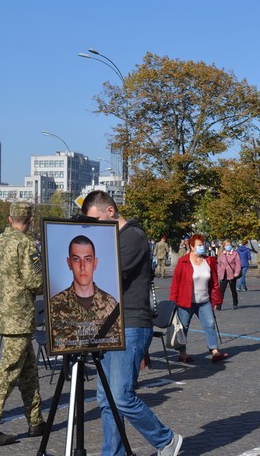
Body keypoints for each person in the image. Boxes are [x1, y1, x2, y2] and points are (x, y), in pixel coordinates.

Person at [81, 191, 183, 456]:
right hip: (111, 326)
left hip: (131, 324)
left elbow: (108, 276)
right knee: (106, 400)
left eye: (95, 219)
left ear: (111, 212)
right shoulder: (114, 238)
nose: (94, 226)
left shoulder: (132, 237)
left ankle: (166, 440)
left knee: (122, 396)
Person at [0, 202, 45, 446]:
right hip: (21, 317)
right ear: (30, 219)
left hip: (5, 314)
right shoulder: (25, 244)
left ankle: (35, 420)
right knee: (7, 373)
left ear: (10, 217)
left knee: (28, 371)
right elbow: (35, 281)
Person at [49, 235, 122, 352]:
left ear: (95, 263)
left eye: (87, 259)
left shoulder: (111, 304)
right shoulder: (55, 305)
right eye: (76, 259)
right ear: (69, 263)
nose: (82, 266)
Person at [170, 234, 230, 363]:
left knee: (210, 324)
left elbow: (214, 282)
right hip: (186, 302)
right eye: (199, 245)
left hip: (204, 301)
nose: (202, 247)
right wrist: (172, 302)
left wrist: (216, 300)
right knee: (183, 327)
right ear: (191, 246)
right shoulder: (183, 261)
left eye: (203, 245)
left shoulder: (208, 261)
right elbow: (176, 283)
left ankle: (214, 351)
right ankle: (182, 353)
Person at [216, 239, 242, 310]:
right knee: (221, 291)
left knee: (233, 290)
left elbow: (238, 263)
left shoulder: (235, 253)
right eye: (227, 245)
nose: (228, 246)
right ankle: (219, 305)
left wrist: (237, 272)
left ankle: (235, 303)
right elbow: (219, 263)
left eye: (229, 245)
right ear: (224, 246)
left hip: (232, 274)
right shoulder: (222, 254)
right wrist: (218, 271)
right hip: (223, 274)